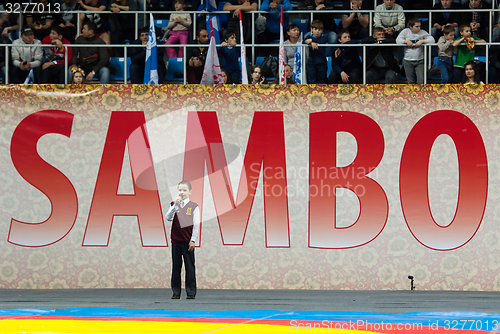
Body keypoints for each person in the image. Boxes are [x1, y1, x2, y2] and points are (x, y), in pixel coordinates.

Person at [165, 180, 200, 300]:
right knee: (176, 267)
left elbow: (196, 224)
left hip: (187, 242)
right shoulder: (174, 205)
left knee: (189, 267)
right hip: (176, 241)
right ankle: (176, 292)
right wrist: (174, 206)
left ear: (190, 192)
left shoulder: (194, 206)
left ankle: (191, 292)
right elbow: (168, 218)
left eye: (184, 190)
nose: (182, 192)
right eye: (180, 190)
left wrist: (193, 240)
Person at [396, 18, 434, 84]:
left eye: (420, 26)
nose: (419, 28)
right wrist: (405, 41)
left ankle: (421, 94)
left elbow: (432, 40)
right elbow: (397, 40)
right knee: (411, 82)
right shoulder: (405, 31)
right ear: (410, 27)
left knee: (421, 81)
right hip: (408, 61)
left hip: (420, 61)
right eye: (417, 26)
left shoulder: (422, 32)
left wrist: (422, 41)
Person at [304, 19, 327, 84]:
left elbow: (322, 41)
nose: (317, 31)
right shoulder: (308, 36)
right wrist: (311, 43)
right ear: (311, 29)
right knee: (312, 80)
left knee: (322, 80)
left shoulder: (323, 37)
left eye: (319, 30)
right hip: (311, 62)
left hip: (321, 62)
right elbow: (304, 41)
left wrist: (311, 41)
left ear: (322, 31)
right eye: (315, 29)